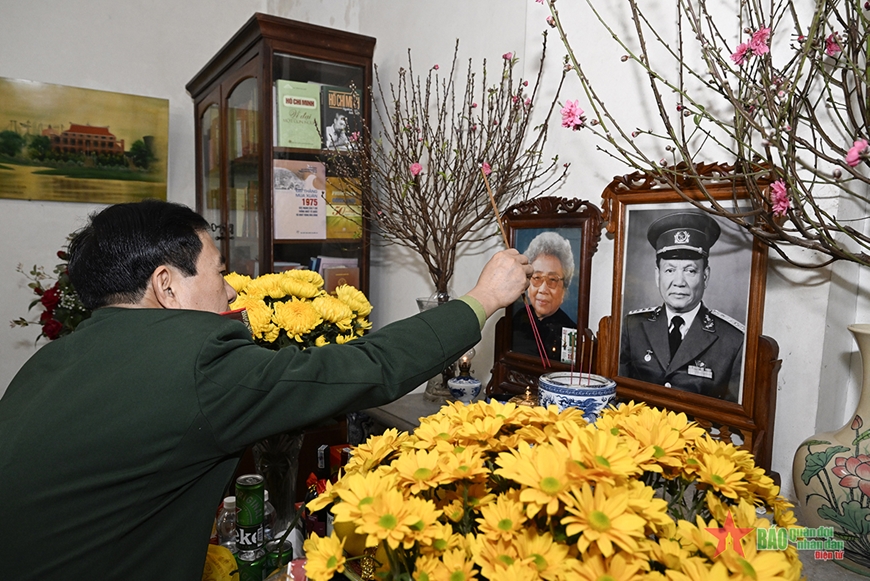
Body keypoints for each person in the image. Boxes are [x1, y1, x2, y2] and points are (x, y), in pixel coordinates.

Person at [0, 200, 532, 580]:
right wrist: (481, 299)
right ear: (166, 284)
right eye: (219, 270)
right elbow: (363, 367)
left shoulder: (48, 363)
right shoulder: (197, 364)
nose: (231, 288)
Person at [619, 211, 744, 402]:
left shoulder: (733, 340)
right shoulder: (632, 326)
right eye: (670, 270)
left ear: (705, 276)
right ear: (657, 275)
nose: (679, 282)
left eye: (690, 270)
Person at [511, 231, 577, 361]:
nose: (543, 289)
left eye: (552, 279)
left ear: (564, 289)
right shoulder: (517, 319)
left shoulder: (570, 331)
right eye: (537, 278)